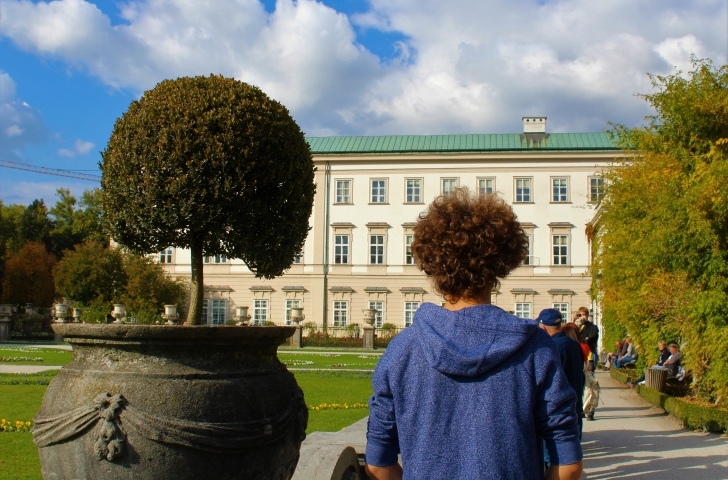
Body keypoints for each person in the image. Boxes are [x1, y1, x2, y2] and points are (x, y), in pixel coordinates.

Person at [365, 189, 583, 480]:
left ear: (432, 263)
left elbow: (378, 464)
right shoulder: (535, 348)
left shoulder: (403, 349)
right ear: (500, 262)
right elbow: (568, 465)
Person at [538, 309, 586, 441]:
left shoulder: (552, 346)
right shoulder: (574, 344)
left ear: (543, 327)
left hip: (559, 401)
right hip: (575, 394)